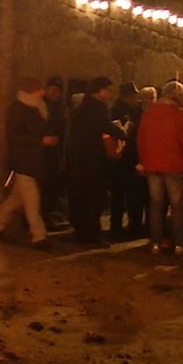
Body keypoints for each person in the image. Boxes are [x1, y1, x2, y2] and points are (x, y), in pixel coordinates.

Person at [0, 77, 57, 247]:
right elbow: (16, 137)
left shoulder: (37, 107)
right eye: (39, 88)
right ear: (32, 91)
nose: (43, 91)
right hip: (23, 160)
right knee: (32, 198)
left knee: (16, 199)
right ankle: (38, 236)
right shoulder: (19, 109)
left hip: (32, 160)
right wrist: (40, 140)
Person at [138, 81, 183, 254]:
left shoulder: (148, 113)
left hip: (152, 164)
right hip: (173, 165)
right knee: (177, 206)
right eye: (182, 94)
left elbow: (141, 139)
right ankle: (180, 245)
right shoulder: (181, 115)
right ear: (175, 95)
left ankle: (155, 243)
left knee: (156, 204)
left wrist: (144, 160)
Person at [67, 76, 120, 246]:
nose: (110, 92)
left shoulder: (82, 107)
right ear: (100, 89)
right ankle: (90, 234)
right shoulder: (97, 108)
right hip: (92, 158)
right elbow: (103, 125)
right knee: (93, 197)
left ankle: (80, 230)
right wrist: (121, 132)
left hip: (78, 158)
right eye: (108, 89)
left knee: (81, 195)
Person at [108, 82, 145, 239]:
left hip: (124, 158)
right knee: (126, 194)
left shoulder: (131, 109)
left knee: (123, 194)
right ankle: (124, 227)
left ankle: (124, 226)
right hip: (124, 157)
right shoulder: (120, 111)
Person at [40, 76, 69, 230]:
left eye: (58, 90)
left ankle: (46, 217)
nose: (54, 93)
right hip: (42, 153)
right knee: (42, 187)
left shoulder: (60, 107)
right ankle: (39, 219)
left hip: (55, 153)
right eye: (53, 89)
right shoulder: (40, 106)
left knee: (51, 187)